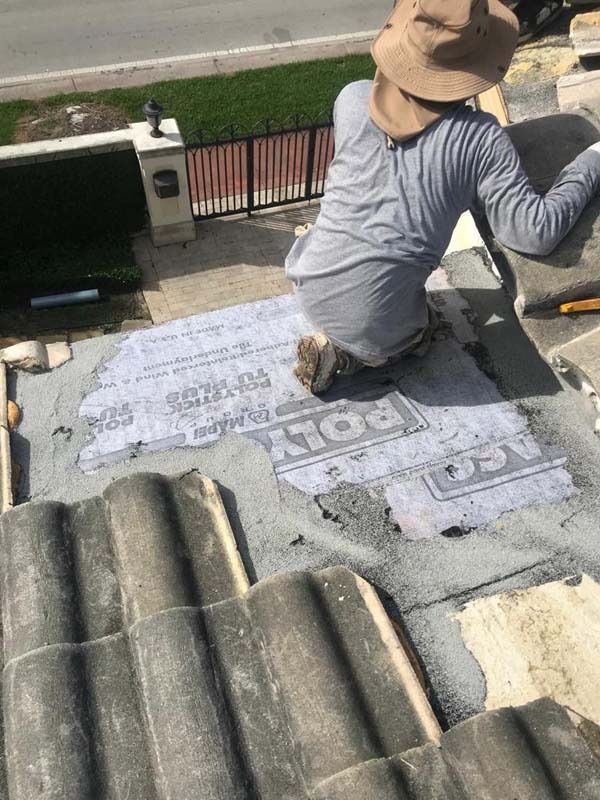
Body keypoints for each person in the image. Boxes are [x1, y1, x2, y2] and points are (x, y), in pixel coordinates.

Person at [285, 0, 600, 395]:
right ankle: (348, 355)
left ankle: (339, 334)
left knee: (383, 282)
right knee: (425, 330)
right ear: (477, 67)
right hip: (377, 328)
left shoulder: (352, 99)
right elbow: (533, 233)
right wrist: (591, 161)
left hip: (308, 279)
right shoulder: (479, 138)